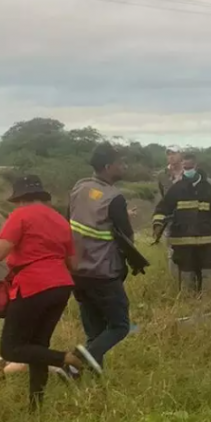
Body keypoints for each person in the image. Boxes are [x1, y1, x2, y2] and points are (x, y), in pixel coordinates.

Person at [0, 176, 95, 409]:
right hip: (61, 287)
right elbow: (73, 264)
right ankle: (36, 407)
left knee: (11, 348)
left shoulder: (20, 215)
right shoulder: (59, 219)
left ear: (20, 198)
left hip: (33, 286)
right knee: (38, 347)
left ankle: (69, 359)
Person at [67, 143, 138, 371]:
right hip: (104, 273)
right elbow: (126, 238)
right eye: (121, 163)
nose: (124, 167)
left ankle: (87, 379)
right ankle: (77, 360)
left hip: (77, 271)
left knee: (94, 331)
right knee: (119, 326)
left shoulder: (78, 187)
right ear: (108, 167)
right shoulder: (114, 197)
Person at [152, 152, 211, 293]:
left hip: (207, 242)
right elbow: (162, 208)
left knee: (208, 277)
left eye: (190, 166)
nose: (188, 170)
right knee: (186, 280)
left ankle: (208, 307)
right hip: (183, 243)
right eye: (185, 167)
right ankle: (189, 307)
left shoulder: (209, 188)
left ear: (196, 165)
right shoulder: (176, 189)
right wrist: (157, 225)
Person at [157, 147, 184, 278]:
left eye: (174, 153)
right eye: (168, 154)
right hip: (170, 217)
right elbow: (162, 196)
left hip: (187, 215)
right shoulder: (162, 174)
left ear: (181, 155)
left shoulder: (188, 172)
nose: (171, 156)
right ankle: (174, 279)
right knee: (171, 250)